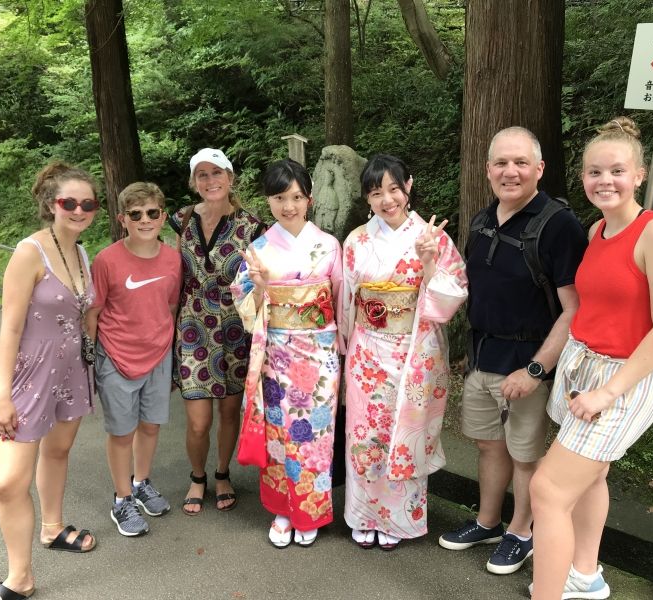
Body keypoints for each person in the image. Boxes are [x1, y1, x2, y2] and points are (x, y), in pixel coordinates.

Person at [529, 117, 653, 599]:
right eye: (595, 172)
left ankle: (546, 594)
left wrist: (607, 392)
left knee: (548, 491)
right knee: (592, 474)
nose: (605, 181)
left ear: (638, 174)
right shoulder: (597, 230)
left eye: (617, 171)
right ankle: (585, 574)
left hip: (624, 378)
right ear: (582, 178)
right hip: (584, 365)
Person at [438, 127, 587, 575]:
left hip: (527, 364)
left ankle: (522, 533)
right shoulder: (483, 221)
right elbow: (468, 289)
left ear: (539, 169)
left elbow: (574, 310)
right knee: (488, 447)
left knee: (525, 455)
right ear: (488, 170)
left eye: (521, 162)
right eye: (501, 163)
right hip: (482, 358)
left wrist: (537, 369)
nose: (510, 171)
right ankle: (487, 521)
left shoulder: (559, 225)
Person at [0, 161, 99, 600]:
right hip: (28, 377)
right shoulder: (29, 253)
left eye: (88, 203)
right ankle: (20, 577)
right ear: (51, 203)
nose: (79, 210)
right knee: (8, 482)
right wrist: (1, 395)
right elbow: (9, 329)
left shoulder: (82, 251)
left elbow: (83, 315)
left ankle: (52, 528)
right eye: (69, 202)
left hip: (71, 372)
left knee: (59, 450)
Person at [340, 154, 467, 550]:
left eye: (394, 188)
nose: (387, 199)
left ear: (408, 186)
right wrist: (346, 347)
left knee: (405, 434)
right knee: (366, 433)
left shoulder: (433, 237)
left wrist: (429, 262)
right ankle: (363, 514)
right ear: (368, 198)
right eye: (376, 192)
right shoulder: (357, 240)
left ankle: (398, 520)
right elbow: (347, 300)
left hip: (414, 350)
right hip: (367, 352)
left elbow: (451, 297)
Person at [231, 159, 343, 548]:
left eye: (296, 197)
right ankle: (282, 507)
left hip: (320, 350)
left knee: (316, 433)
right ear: (269, 201)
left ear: (309, 198)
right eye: (280, 198)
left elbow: (341, 300)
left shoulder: (329, 244)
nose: (288, 206)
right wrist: (261, 286)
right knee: (280, 430)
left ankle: (310, 508)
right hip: (277, 350)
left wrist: (340, 344)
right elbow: (244, 299)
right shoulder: (259, 248)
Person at [169, 148, 265, 514]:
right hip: (192, 329)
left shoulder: (252, 226)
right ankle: (198, 476)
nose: (211, 181)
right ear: (195, 182)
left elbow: (260, 280)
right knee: (198, 421)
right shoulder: (182, 218)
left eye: (217, 173)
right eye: (202, 175)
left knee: (229, 412)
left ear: (230, 177)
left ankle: (223, 472)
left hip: (234, 328)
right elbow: (174, 274)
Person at [85, 182, 182, 537]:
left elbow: (170, 306)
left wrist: (165, 345)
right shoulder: (107, 260)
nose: (145, 220)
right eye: (136, 214)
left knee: (151, 425)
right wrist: (92, 359)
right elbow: (93, 312)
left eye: (152, 213)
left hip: (157, 354)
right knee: (121, 431)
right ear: (122, 219)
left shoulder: (173, 258)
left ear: (163, 216)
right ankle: (122, 498)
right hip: (115, 355)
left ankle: (141, 482)